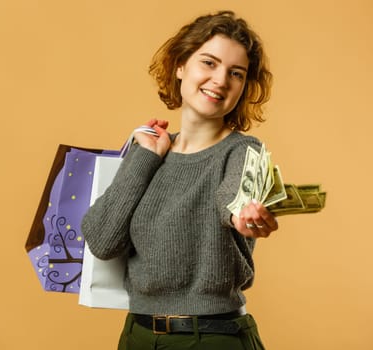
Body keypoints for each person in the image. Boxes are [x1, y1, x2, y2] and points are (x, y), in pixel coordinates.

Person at [82, 10, 278, 350]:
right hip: (137, 336)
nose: (220, 80)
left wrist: (243, 214)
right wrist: (145, 158)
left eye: (236, 73)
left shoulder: (245, 152)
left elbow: (233, 198)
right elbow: (101, 240)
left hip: (214, 339)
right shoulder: (146, 153)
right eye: (209, 63)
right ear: (180, 66)